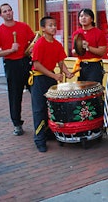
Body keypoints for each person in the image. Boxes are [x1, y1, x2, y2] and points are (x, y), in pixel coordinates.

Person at [0, 3, 35, 136]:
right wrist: (10, 50)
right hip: (11, 65)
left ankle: (43, 122)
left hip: (26, 63)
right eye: (5, 11)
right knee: (15, 96)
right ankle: (17, 124)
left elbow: (34, 41)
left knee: (36, 92)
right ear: (1, 15)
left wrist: (32, 48)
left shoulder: (23, 26)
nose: (8, 13)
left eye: (10, 10)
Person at [30, 16, 74, 152]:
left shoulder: (57, 44)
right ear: (43, 28)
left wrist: (67, 73)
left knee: (51, 108)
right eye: (50, 25)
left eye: (55, 25)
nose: (53, 27)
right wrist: (54, 75)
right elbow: (36, 65)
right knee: (39, 109)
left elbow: (61, 61)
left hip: (50, 78)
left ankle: (49, 133)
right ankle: (39, 140)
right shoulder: (40, 44)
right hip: (39, 79)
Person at [71, 8, 107, 84]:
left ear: (92, 19)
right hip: (81, 66)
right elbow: (74, 52)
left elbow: (102, 52)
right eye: (81, 16)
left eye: (86, 16)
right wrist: (78, 50)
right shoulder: (76, 33)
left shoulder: (98, 33)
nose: (83, 18)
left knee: (93, 91)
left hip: (94, 66)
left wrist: (88, 48)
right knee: (81, 91)